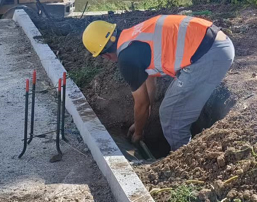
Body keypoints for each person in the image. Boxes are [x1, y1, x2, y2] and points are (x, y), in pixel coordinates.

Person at [82, 15, 235, 151]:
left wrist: (138, 133)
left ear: (106, 55)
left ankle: (182, 157)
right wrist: (143, 118)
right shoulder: (133, 37)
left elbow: (141, 103)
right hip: (217, 44)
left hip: (210, 56)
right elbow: (149, 87)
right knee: (171, 105)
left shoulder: (126, 59)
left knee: (171, 114)